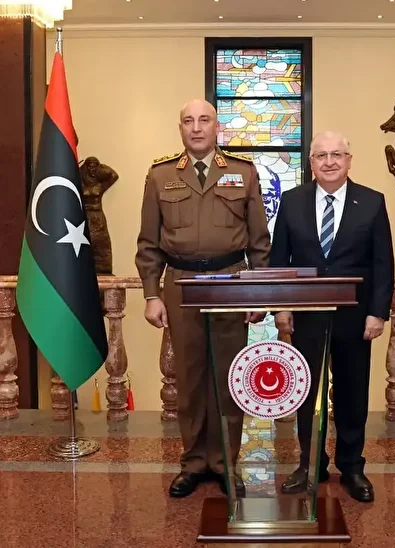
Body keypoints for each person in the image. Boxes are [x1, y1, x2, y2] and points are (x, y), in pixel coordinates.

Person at [135, 99, 271, 498]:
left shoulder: (243, 173)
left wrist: (257, 292)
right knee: (189, 378)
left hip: (231, 282)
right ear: (180, 128)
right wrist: (151, 294)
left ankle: (226, 462)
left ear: (217, 127)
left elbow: (260, 242)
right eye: (188, 121)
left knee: (229, 379)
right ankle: (194, 462)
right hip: (181, 285)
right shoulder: (160, 175)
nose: (196, 128)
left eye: (204, 120)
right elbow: (148, 243)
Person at [269, 130, 394, 502]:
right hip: (306, 315)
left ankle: (352, 467)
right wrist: (281, 307)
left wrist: (377, 312)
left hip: (356, 317)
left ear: (349, 160)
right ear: (311, 162)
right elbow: (279, 261)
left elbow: (383, 263)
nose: (329, 162)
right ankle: (311, 464)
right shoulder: (292, 202)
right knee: (307, 392)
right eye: (321, 155)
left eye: (336, 154)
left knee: (353, 392)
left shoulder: (371, 202)